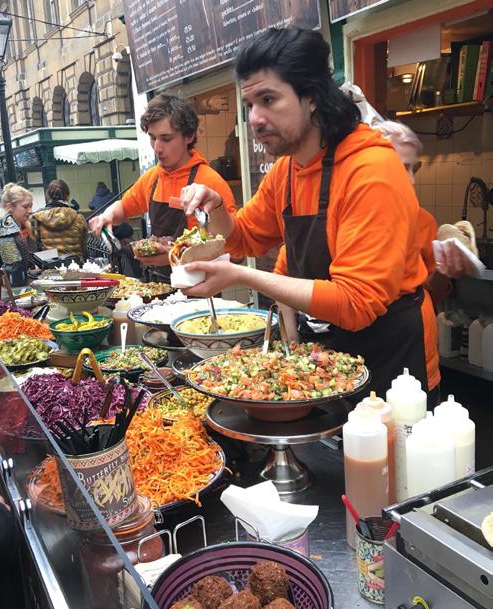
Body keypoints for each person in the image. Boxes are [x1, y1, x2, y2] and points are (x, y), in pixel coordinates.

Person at [179, 27, 439, 400]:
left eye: (269, 99)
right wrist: (217, 204)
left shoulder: (371, 169)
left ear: (312, 97)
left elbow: (356, 302)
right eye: (249, 105)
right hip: (328, 350)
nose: (255, 118)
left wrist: (243, 276)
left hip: (393, 359)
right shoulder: (287, 170)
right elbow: (241, 239)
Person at [89, 93, 237, 278]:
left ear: (189, 136)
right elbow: (124, 208)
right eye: (153, 138)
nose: (157, 148)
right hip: (158, 284)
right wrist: (108, 216)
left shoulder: (211, 182)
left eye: (166, 139)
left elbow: (231, 249)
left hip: (200, 286)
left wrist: (173, 256)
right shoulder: (152, 178)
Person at [375, 120, 474, 302]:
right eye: (403, 167)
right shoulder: (346, 216)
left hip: (415, 317)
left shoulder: (423, 221)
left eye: (413, 169)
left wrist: (444, 270)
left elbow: (432, 292)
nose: (412, 180)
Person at [30, 179, 88, 260]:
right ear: (68, 196)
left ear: (47, 195)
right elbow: (84, 245)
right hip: (75, 265)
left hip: (49, 265)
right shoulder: (79, 218)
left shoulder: (36, 218)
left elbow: (34, 244)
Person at [0, 183, 33, 287]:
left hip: (20, 282)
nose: (30, 211)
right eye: (25, 207)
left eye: (30, 206)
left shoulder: (22, 225)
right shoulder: (4, 227)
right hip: (13, 286)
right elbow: (13, 266)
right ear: (10, 207)